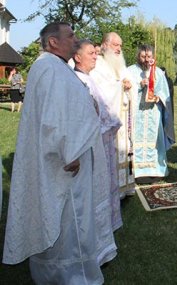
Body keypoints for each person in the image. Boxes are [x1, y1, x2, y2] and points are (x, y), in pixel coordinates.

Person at [3, 22, 116, 284]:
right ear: (53, 42)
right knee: (67, 220)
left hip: (67, 155)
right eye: (70, 35)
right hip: (64, 162)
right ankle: (69, 275)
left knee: (71, 218)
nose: (76, 40)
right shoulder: (48, 68)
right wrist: (69, 152)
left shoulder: (55, 67)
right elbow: (53, 118)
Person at [74, 39, 123, 231]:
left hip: (102, 139)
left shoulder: (89, 77)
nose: (96, 56)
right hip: (92, 143)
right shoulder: (79, 80)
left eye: (96, 53)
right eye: (91, 54)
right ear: (77, 57)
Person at [90, 32, 136, 197]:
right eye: (116, 45)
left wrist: (130, 87)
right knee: (112, 152)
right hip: (109, 119)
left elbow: (131, 86)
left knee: (125, 149)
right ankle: (113, 189)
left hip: (124, 117)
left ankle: (126, 186)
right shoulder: (98, 65)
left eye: (120, 46)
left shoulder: (121, 65)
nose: (119, 49)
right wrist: (120, 86)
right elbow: (99, 90)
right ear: (105, 45)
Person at [127, 45, 175, 183]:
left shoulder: (158, 72)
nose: (146, 60)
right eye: (143, 57)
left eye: (148, 57)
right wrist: (139, 85)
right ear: (138, 56)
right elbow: (124, 91)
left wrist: (157, 96)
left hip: (153, 113)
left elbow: (164, 92)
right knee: (135, 139)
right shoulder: (130, 71)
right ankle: (136, 170)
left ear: (153, 57)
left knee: (154, 141)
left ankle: (155, 170)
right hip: (137, 113)